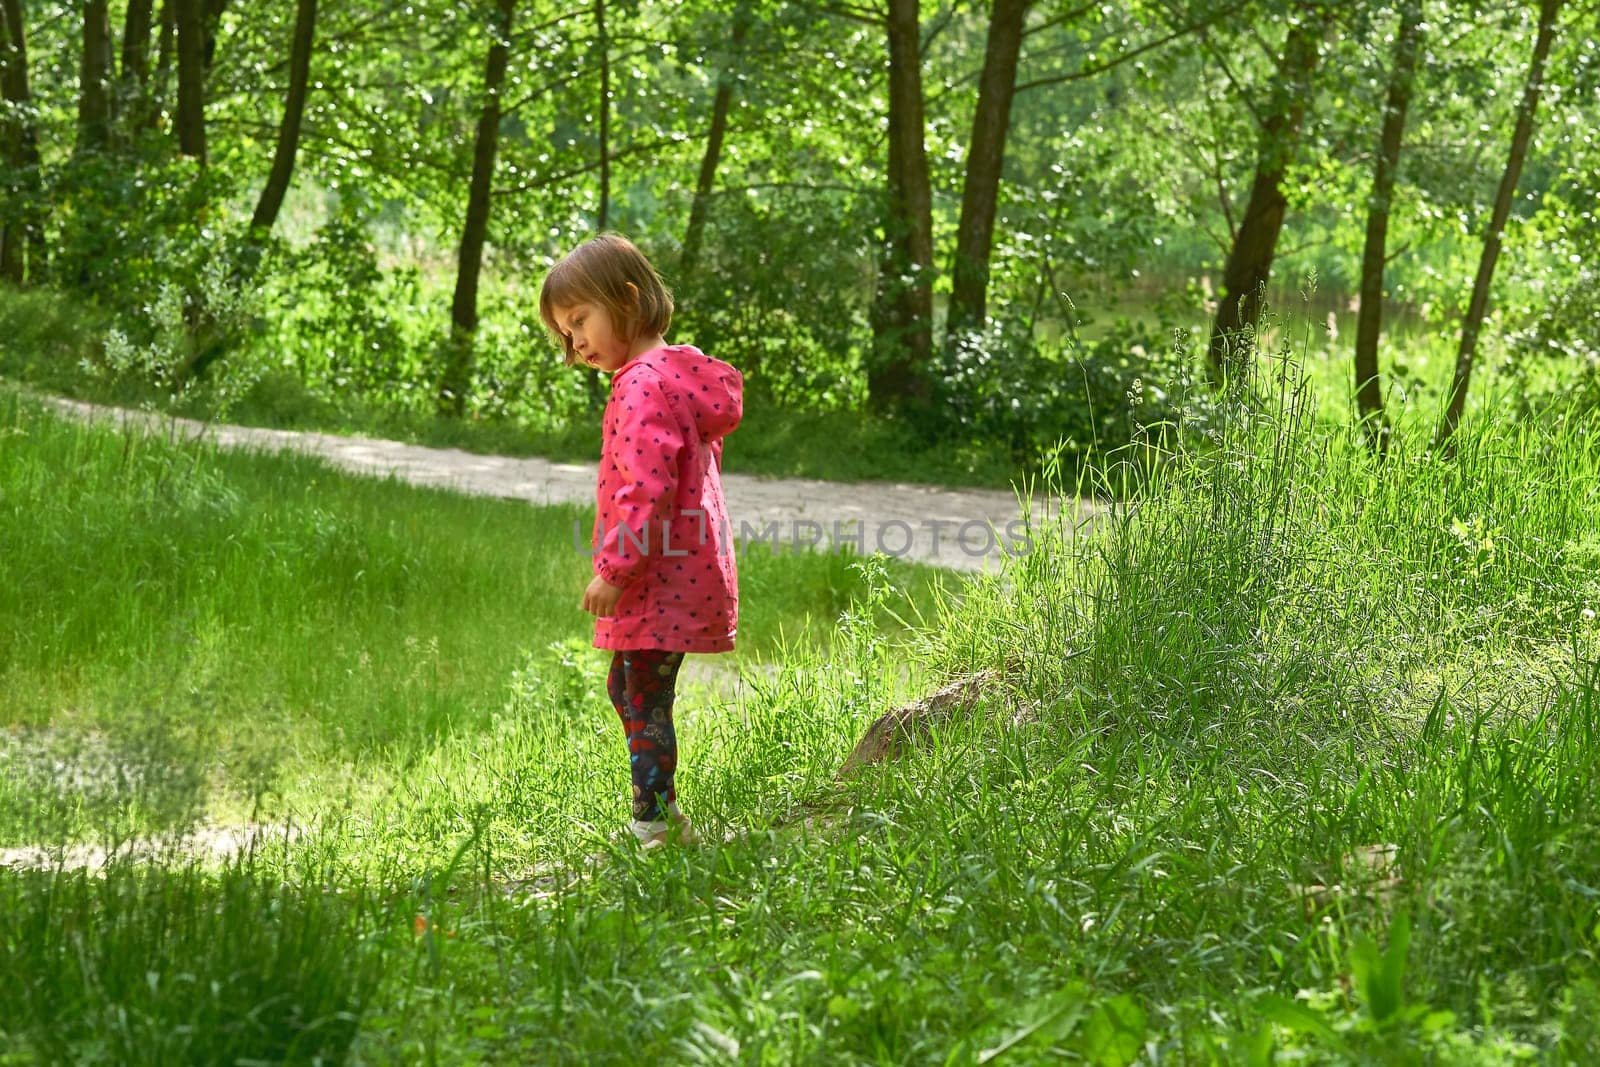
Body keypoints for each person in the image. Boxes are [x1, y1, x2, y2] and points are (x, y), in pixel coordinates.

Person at [539, 233, 743, 852]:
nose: (575, 340)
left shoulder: (641, 385)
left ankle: (655, 824)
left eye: (580, 320)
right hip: (679, 569)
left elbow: (647, 489)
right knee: (628, 688)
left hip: (657, 576)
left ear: (626, 298)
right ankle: (660, 815)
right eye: (564, 331)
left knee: (643, 694)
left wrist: (615, 569)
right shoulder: (674, 375)